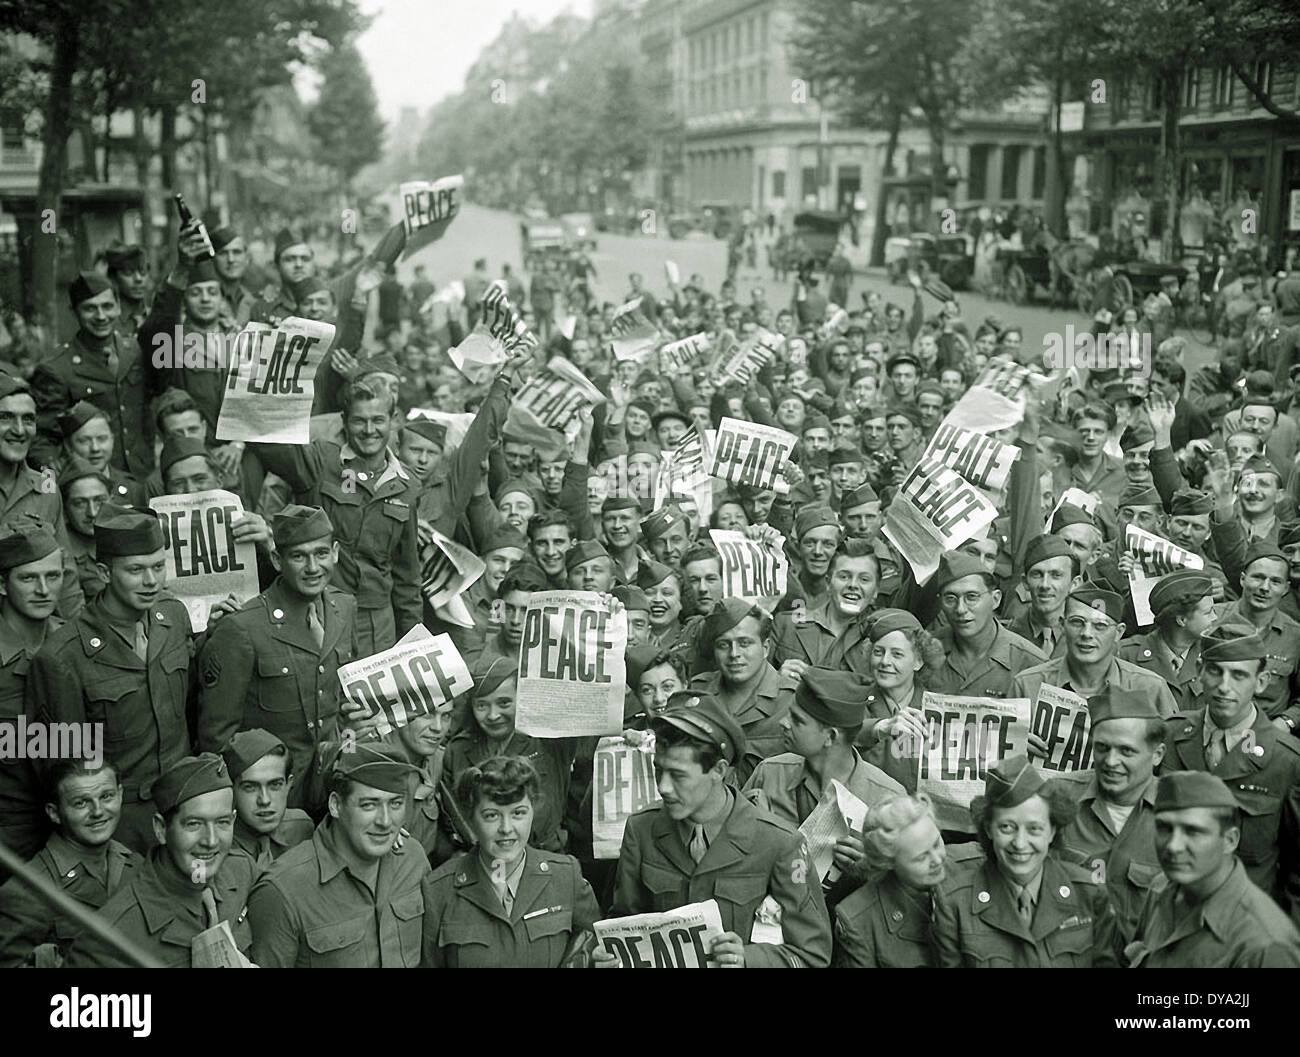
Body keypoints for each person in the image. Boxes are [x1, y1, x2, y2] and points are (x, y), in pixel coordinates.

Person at [602, 690, 832, 968]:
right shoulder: (641, 830)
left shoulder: (780, 843)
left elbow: (812, 955)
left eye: (678, 775)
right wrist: (608, 957)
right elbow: (623, 926)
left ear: (718, 770)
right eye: (658, 770)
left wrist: (748, 958)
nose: (662, 787)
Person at [26, 506, 194, 852]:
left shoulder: (173, 617)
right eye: (135, 570)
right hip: (118, 831)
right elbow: (60, 772)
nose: (151, 581)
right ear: (104, 573)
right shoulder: (61, 658)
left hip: (184, 811)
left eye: (158, 567)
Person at [197, 506, 357, 813]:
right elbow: (216, 738)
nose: (313, 567)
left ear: (336, 553)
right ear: (276, 560)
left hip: (331, 788)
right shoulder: (243, 627)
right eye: (298, 556)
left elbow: (344, 708)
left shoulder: (344, 607)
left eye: (321, 553)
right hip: (271, 800)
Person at [65, 753, 260, 968]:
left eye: (222, 822)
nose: (211, 841)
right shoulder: (109, 940)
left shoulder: (241, 870)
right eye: (194, 824)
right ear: (161, 829)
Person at [1159, 622, 1300, 916]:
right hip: (1172, 908)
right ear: (1199, 670)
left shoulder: (1286, 760)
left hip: (1244, 921)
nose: (1224, 687)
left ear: (1261, 682)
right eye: (1215, 671)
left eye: (1238, 675)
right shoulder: (1173, 735)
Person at [248, 744, 431, 968]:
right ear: (335, 805)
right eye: (369, 805)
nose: (385, 821)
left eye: (395, 804)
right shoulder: (283, 891)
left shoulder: (412, 859)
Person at [931, 756, 1118, 967]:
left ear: (1052, 831)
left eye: (1034, 829)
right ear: (988, 829)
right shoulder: (955, 903)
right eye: (1007, 827)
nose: (1020, 844)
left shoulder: (1088, 893)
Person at [743, 667, 903, 903]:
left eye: (797, 720)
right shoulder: (770, 773)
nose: (784, 723)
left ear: (830, 736)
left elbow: (907, 889)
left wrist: (874, 868)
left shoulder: (887, 799)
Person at [423, 755, 600, 967]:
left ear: (533, 811)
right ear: (470, 817)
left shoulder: (565, 877)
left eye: (518, 813)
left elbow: (591, 946)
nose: (506, 828)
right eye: (491, 815)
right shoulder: (438, 891)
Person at [1124, 770, 1300, 967]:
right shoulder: (1161, 887)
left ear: (1230, 840)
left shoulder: (1265, 944)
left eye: (1193, 832)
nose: (1173, 846)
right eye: (1164, 828)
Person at [0, 758, 142, 967]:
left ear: (120, 795)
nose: (98, 811)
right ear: (54, 813)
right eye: (81, 803)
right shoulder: (27, 891)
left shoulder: (136, 864)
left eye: (106, 796)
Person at [1056, 688, 1167, 942]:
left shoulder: (1179, 813)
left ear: (1157, 755)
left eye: (1126, 751)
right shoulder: (1057, 800)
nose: (1110, 761)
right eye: (1102, 748)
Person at [444, 656, 578, 853]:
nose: (492, 715)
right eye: (482, 705)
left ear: (522, 698)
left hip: (544, 859)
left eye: (504, 703)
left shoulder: (550, 741)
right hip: (481, 860)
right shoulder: (457, 750)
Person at [30, 273, 154, 476]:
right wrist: (53, 485)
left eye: (107, 306)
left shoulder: (136, 351)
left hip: (141, 478)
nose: (101, 316)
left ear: (119, 306)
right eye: (90, 308)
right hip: (91, 485)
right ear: (75, 312)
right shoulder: (56, 368)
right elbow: (42, 441)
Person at [833, 793, 972, 968]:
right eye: (921, 857)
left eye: (937, 844)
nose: (937, 859)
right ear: (888, 862)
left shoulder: (975, 865)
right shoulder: (860, 922)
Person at [0, 524, 68, 863]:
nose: (43, 590)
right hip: (8, 835)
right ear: (2, 584)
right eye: (28, 579)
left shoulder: (73, 645)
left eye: (52, 576)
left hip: (72, 830)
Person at [1012, 588, 1178, 722]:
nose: (1086, 634)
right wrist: (1019, 744)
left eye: (1100, 626)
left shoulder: (1149, 688)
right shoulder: (1027, 685)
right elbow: (1001, 754)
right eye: (1077, 622)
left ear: (1119, 632)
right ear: (1062, 626)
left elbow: (1169, 754)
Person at [688, 598, 795, 784]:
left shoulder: (792, 701)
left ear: (765, 648)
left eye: (744, 643)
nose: (734, 654)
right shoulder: (698, 694)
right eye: (723, 644)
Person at [928, 552, 1046, 698]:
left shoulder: (1031, 662)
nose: (960, 609)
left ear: (995, 599)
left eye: (972, 597)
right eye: (950, 598)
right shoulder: (923, 652)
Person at [1117, 570, 1215, 710]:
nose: (1214, 618)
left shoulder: (1212, 655)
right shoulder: (1126, 655)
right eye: (1208, 612)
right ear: (1181, 620)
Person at [220, 728, 314, 869]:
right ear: (230, 790)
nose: (264, 800)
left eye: (275, 785)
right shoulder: (217, 849)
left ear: (288, 785)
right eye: (250, 787)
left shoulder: (300, 828)